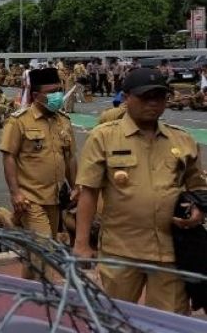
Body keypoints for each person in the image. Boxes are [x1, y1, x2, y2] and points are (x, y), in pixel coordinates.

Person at [74, 68, 206, 314]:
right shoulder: (104, 137)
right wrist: (81, 243)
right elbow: (88, 192)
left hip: (170, 251)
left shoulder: (183, 140)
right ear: (126, 98)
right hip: (121, 251)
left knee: (169, 323)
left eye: (160, 97)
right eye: (146, 97)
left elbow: (198, 187)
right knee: (115, 319)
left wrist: (199, 210)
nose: (154, 103)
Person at [0, 67, 78, 279]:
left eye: (59, 90)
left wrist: (76, 187)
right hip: (30, 198)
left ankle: (27, 289)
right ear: (35, 95)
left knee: (39, 250)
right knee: (45, 250)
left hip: (55, 198)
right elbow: (9, 157)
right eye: (51, 92)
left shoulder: (63, 120)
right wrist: (16, 193)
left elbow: (70, 157)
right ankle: (44, 300)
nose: (57, 96)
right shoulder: (19, 121)